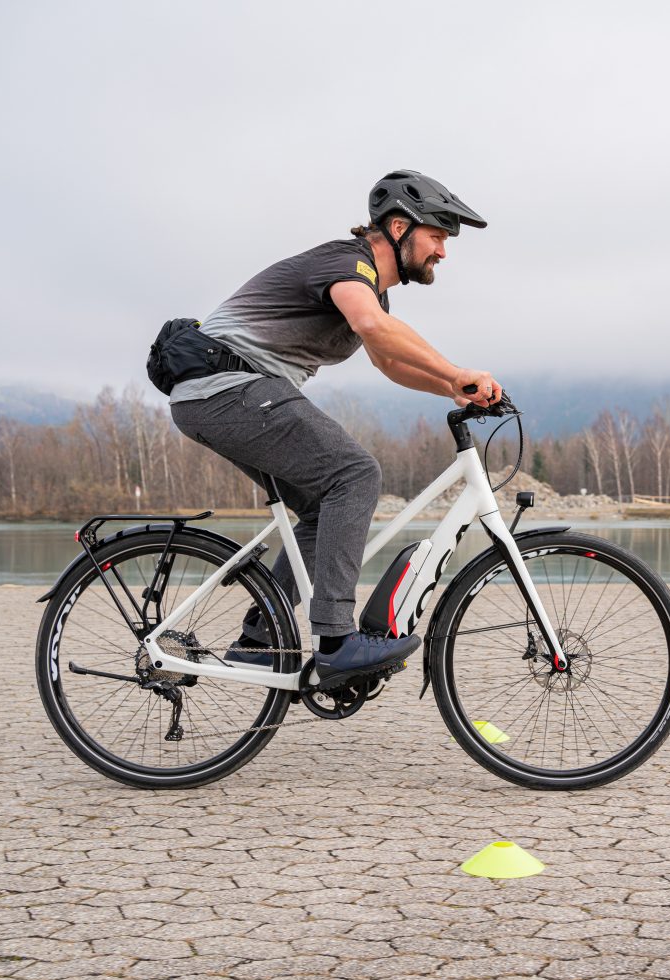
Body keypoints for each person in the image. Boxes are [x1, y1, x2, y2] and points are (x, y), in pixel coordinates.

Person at [168, 170, 502, 691]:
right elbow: (373, 328)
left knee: (324, 507)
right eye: (438, 235)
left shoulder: (369, 288)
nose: (443, 251)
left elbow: (387, 362)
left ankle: (261, 639)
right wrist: (457, 369)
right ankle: (336, 642)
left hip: (220, 395)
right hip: (226, 386)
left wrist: (451, 388)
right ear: (398, 227)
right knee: (355, 474)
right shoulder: (345, 263)